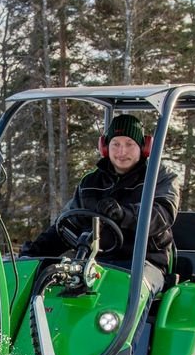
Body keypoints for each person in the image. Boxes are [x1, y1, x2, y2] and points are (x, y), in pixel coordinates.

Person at [20, 113, 179, 270]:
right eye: (115, 144)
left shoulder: (159, 178)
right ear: (105, 147)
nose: (122, 152)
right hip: (96, 264)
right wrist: (35, 251)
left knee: (120, 292)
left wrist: (124, 215)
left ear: (144, 147)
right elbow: (68, 223)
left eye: (129, 144)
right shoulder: (90, 182)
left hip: (145, 263)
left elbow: (162, 214)